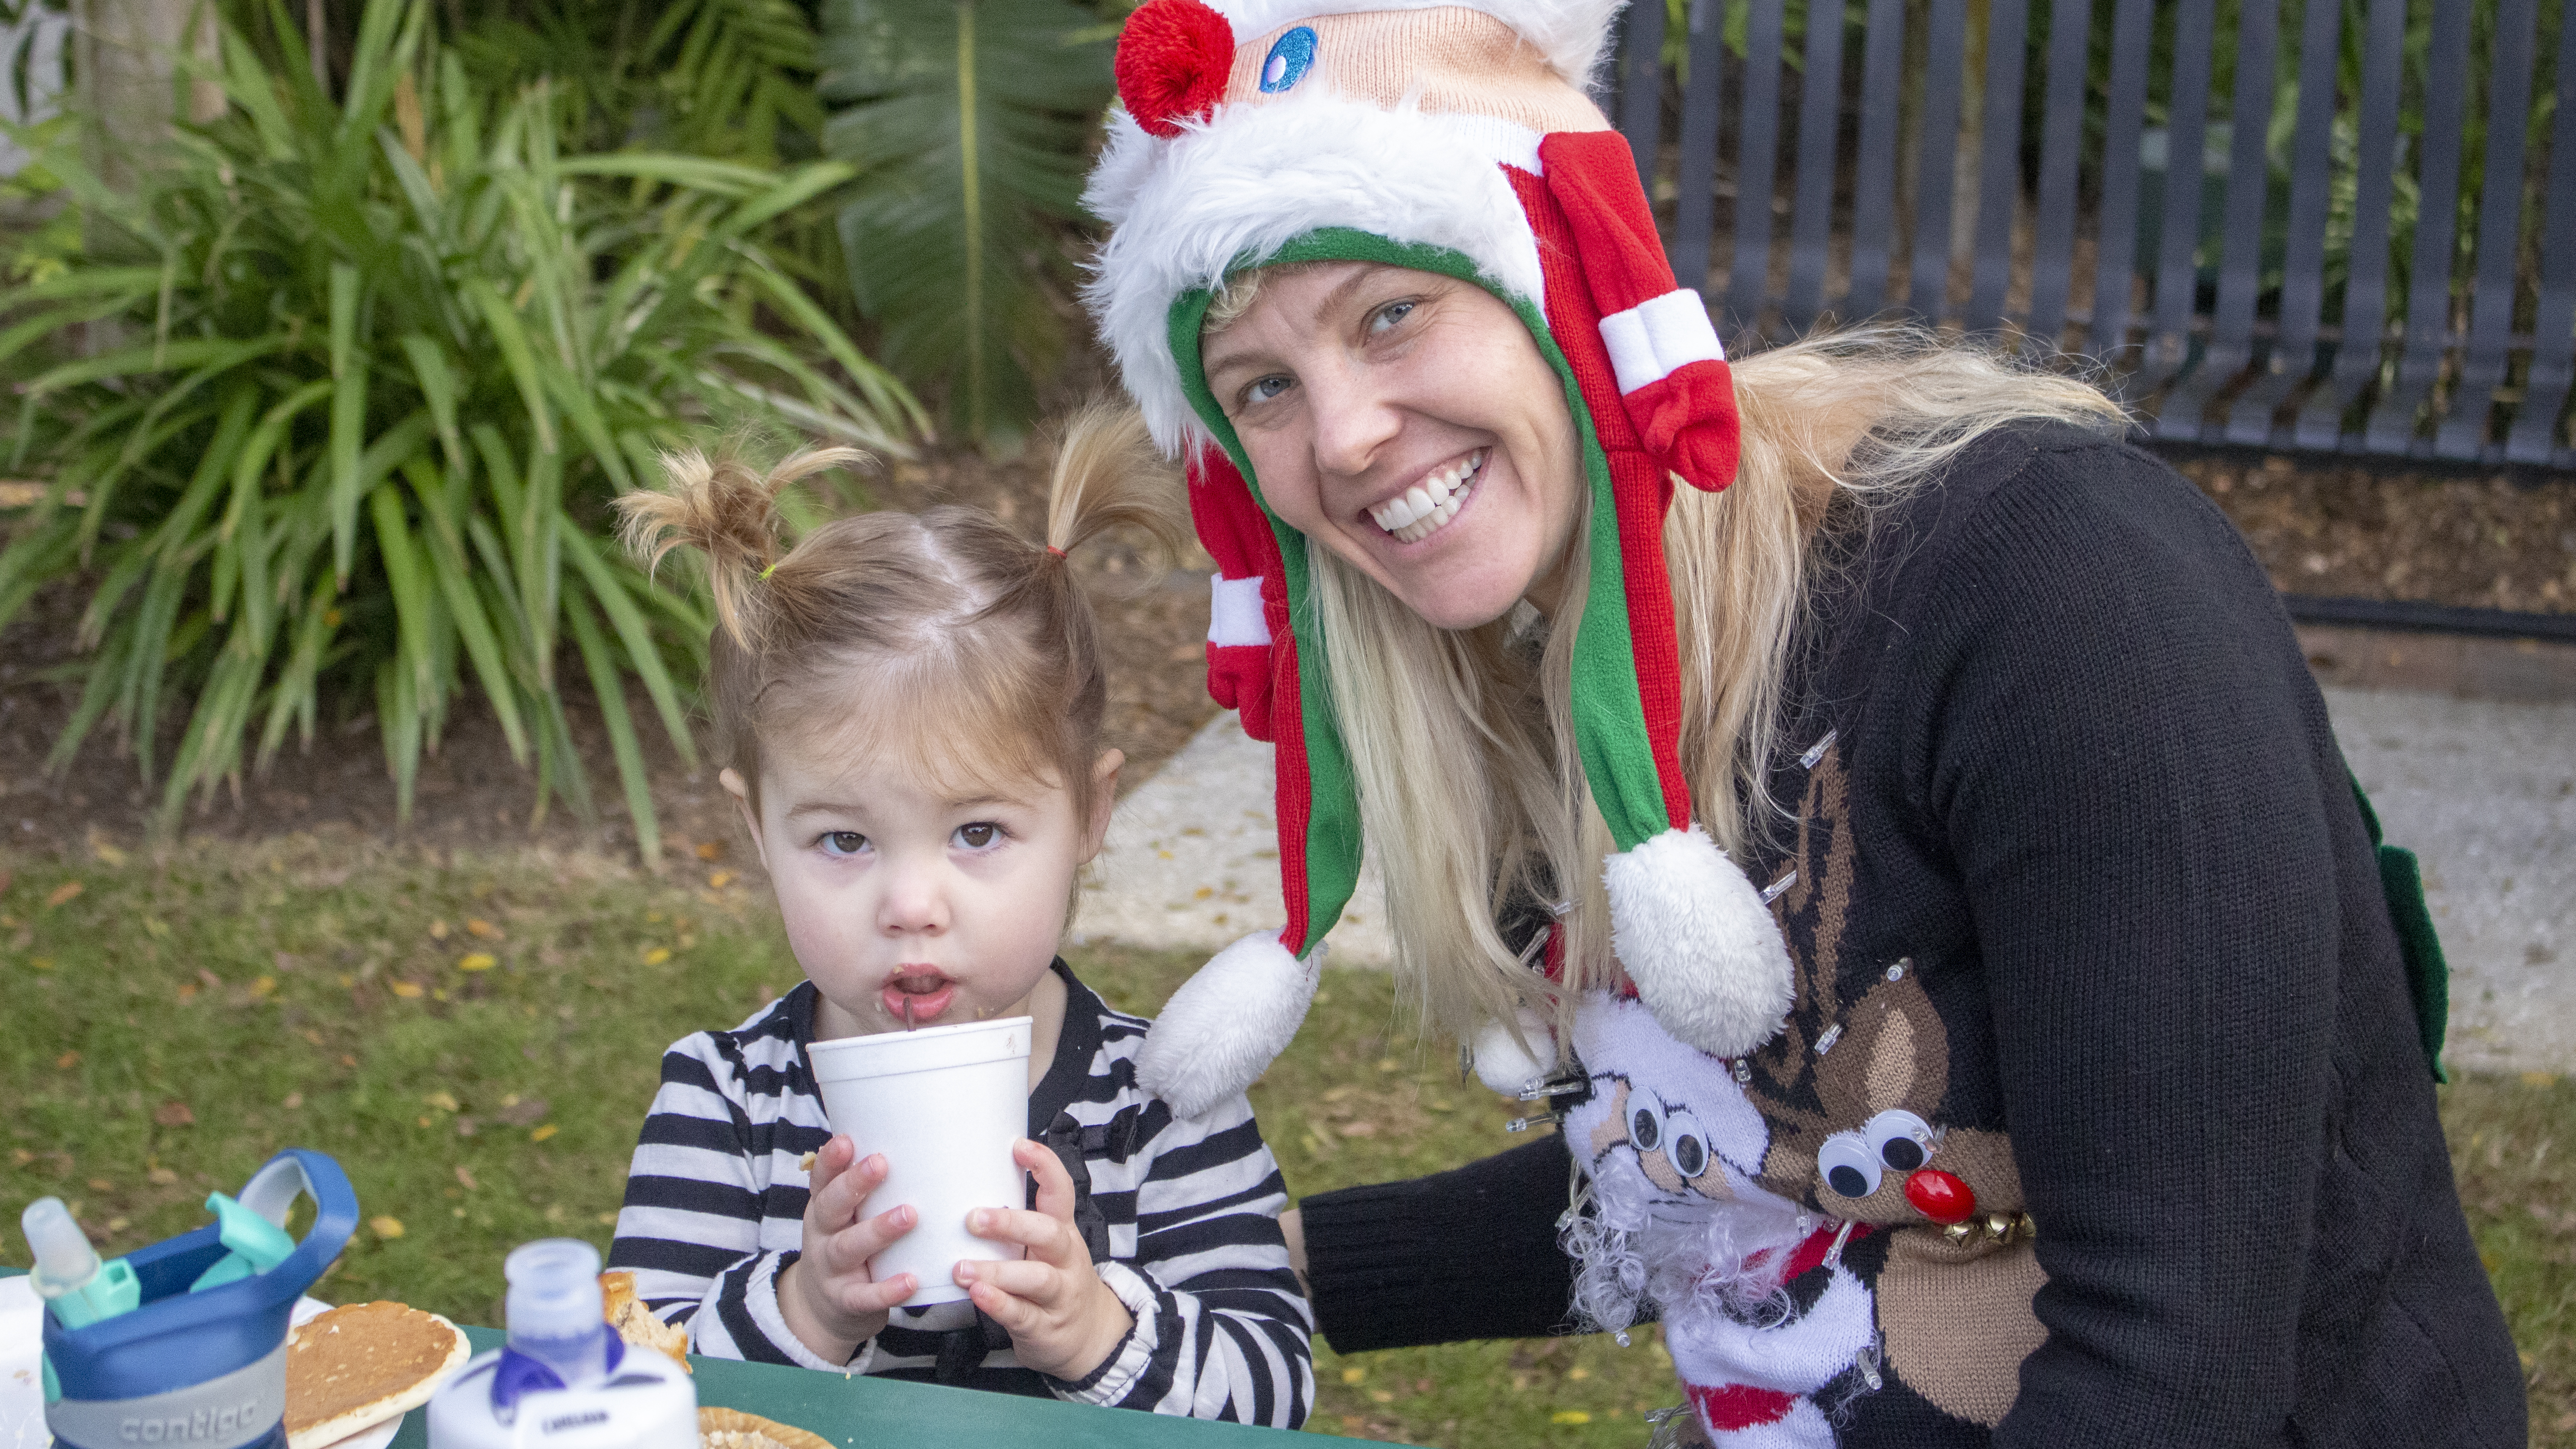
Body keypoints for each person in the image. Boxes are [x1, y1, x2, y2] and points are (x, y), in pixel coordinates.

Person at [1078, 0, 2528, 1442]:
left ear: (1566, 286)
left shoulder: (2046, 583)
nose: (1342, 437)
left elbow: (2179, 1352)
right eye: (1263, 386)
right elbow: (1734, 1158)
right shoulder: (1522, 663)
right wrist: (1198, 1271)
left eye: (1391, 312)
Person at [600, 416, 1313, 1428]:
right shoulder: (726, 1106)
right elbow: (627, 1396)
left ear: (1090, 816)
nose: (911, 907)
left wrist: (1094, 1330)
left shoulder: (1163, 1106)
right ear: (756, 829)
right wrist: (805, 1309)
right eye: (844, 842)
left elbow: (1275, 1391)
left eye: (977, 831)